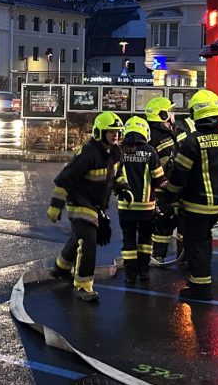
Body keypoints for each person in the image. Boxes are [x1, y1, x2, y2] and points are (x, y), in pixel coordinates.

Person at [159, 89, 218, 302]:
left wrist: (169, 197)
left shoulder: (192, 142)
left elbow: (179, 175)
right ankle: (200, 282)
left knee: (196, 244)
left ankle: (200, 288)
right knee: (204, 241)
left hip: (195, 205)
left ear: (196, 114)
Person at [46, 111, 123, 303]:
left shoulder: (115, 152)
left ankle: (61, 267)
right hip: (79, 201)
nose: (115, 135)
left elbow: (117, 175)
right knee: (88, 240)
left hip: (96, 205)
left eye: (117, 132)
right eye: (111, 131)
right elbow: (66, 178)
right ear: (99, 133)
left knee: (79, 237)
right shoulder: (88, 153)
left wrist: (124, 188)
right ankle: (83, 286)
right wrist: (56, 205)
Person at [114, 116, 166, 284]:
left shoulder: (119, 151)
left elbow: (112, 177)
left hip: (126, 207)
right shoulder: (150, 151)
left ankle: (130, 274)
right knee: (145, 240)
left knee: (128, 239)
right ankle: (144, 272)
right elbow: (159, 179)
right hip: (146, 207)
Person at [145, 96, 182, 264]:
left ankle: (177, 255)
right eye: (170, 111)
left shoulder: (171, 131)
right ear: (162, 115)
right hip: (162, 187)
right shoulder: (156, 137)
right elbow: (163, 163)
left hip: (172, 186)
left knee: (174, 220)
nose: (173, 114)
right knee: (163, 221)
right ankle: (159, 255)